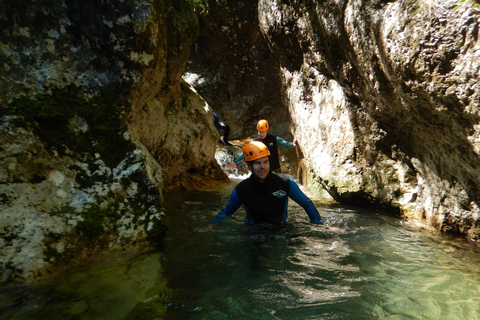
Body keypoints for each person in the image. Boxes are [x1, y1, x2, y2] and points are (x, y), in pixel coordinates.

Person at [211, 141, 324, 227]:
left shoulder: (285, 182)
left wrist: (320, 224)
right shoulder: (242, 189)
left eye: (265, 162)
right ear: (249, 166)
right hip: (254, 233)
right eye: (257, 163)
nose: (263, 167)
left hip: (281, 230)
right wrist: (210, 225)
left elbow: (307, 204)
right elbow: (226, 213)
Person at [232, 119, 296, 172]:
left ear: (267, 131)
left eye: (263, 132)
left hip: (275, 169)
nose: (261, 134)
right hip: (264, 171)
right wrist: (235, 162)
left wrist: (293, 144)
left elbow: (286, 144)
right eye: (260, 132)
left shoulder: (274, 139)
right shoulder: (255, 142)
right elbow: (245, 153)